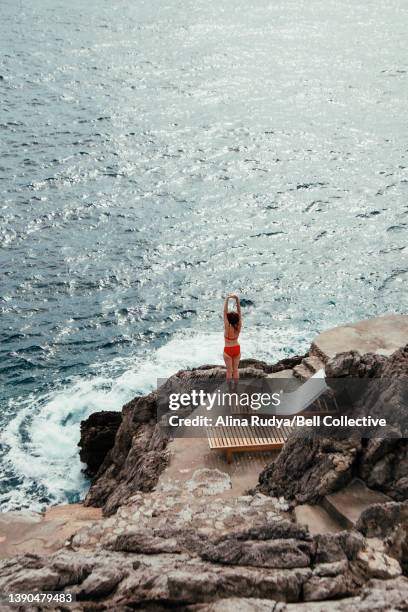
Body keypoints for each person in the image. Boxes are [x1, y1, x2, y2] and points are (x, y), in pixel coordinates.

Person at [223, 294, 241, 383]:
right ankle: (236, 389)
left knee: (229, 371)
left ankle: (230, 390)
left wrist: (227, 298)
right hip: (236, 348)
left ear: (228, 319)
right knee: (236, 370)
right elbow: (239, 312)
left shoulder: (227, 327)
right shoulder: (239, 326)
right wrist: (237, 299)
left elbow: (224, 311)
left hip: (228, 349)